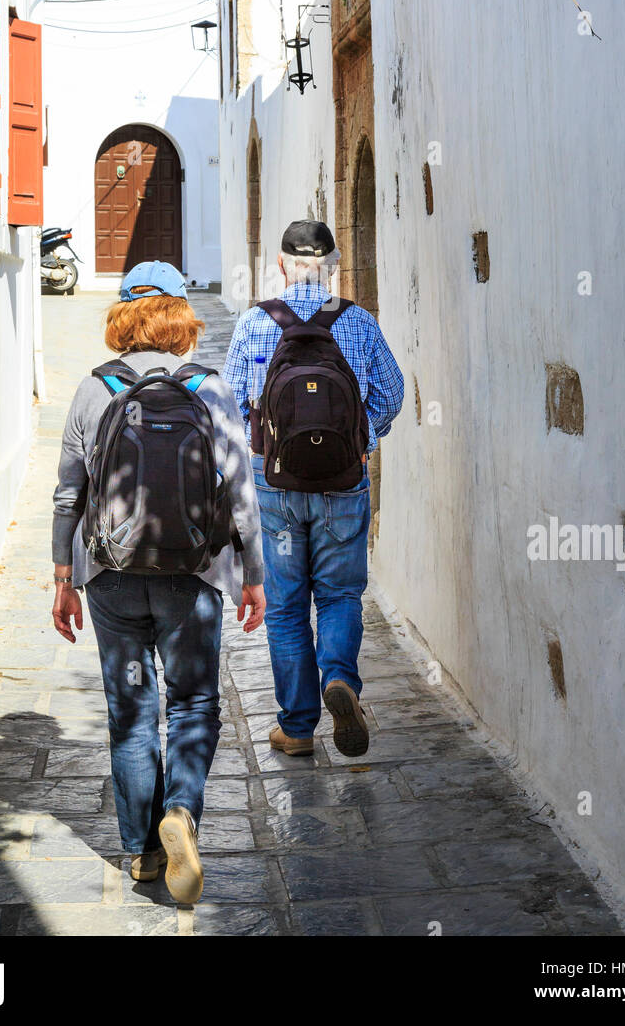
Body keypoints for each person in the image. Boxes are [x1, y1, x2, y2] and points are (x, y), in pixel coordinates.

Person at [51, 260, 265, 904]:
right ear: (180, 315)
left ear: (123, 317)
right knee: (195, 702)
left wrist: (64, 576)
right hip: (191, 576)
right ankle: (182, 812)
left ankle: (142, 853)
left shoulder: (95, 388)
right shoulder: (210, 387)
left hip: (113, 578)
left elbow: (68, 495)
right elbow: (242, 493)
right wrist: (251, 576)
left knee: (133, 711)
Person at [223, 220, 403, 759]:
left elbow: (232, 406)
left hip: (275, 487)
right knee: (341, 593)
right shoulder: (359, 322)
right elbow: (390, 394)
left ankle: (297, 727)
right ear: (334, 267)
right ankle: (340, 679)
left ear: (280, 265)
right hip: (344, 485)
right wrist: (359, 440)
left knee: (284, 607)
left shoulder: (257, 322)